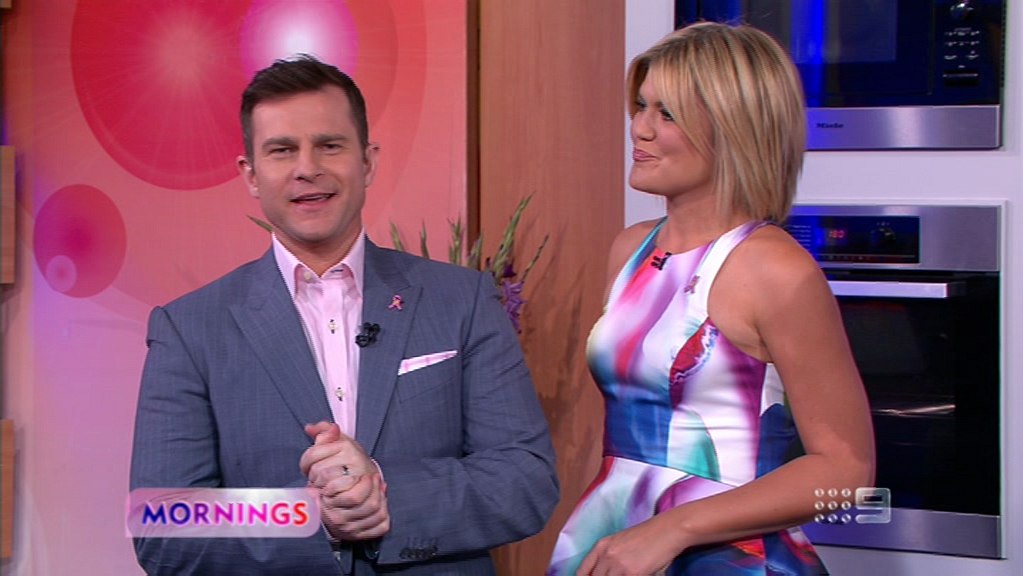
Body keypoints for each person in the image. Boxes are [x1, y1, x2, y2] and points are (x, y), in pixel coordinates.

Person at [130, 54, 559, 575]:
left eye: (329, 145)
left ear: (368, 161)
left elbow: (525, 480)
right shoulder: (190, 328)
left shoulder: (460, 299)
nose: (307, 168)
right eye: (282, 150)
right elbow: (163, 521)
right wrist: (311, 515)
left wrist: (382, 493)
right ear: (251, 175)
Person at [546, 22, 874, 576]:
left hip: (731, 559)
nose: (639, 128)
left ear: (733, 129)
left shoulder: (774, 269)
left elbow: (849, 478)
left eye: (668, 114)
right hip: (617, 542)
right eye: (641, 105)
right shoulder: (630, 249)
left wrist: (673, 528)